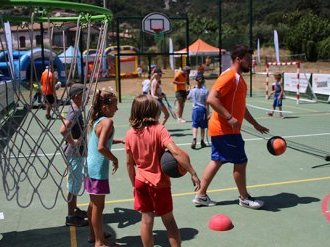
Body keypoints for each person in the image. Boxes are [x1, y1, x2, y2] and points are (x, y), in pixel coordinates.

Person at [192, 44, 269, 209]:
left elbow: (241, 107)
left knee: (217, 160)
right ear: (238, 59)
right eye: (248, 60)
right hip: (226, 130)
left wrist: (255, 124)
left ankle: (201, 195)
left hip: (223, 129)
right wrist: (229, 118)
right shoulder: (229, 76)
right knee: (241, 161)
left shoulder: (239, 79)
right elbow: (212, 99)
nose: (251, 63)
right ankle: (244, 198)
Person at [125, 95, 201, 247]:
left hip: (140, 181)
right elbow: (176, 152)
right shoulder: (159, 130)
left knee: (146, 221)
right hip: (159, 183)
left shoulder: (129, 134)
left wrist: (134, 184)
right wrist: (192, 172)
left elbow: (129, 163)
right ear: (153, 111)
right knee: (169, 221)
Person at [85, 89, 123, 246]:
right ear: (105, 107)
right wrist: (114, 159)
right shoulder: (108, 122)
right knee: (98, 207)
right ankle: (100, 242)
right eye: (114, 105)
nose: (116, 108)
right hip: (98, 169)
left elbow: (101, 140)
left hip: (89, 167)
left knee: (93, 204)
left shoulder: (98, 120)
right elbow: (101, 147)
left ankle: (94, 235)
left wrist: (117, 140)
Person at [60, 83, 89, 227]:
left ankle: (75, 209)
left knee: (76, 183)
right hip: (74, 154)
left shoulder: (76, 108)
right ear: (77, 97)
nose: (87, 97)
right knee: (73, 185)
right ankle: (71, 216)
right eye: (85, 95)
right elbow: (63, 130)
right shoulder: (75, 111)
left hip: (77, 153)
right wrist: (73, 142)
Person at [187, 74, 209, 149]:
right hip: (202, 110)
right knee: (202, 127)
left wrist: (189, 90)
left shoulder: (193, 90)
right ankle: (202, 141)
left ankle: (194, 139)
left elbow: (188, 97)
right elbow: (207, 103)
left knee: (195, 125)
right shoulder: (205, 91)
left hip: (195, 110)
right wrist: (208, 113)